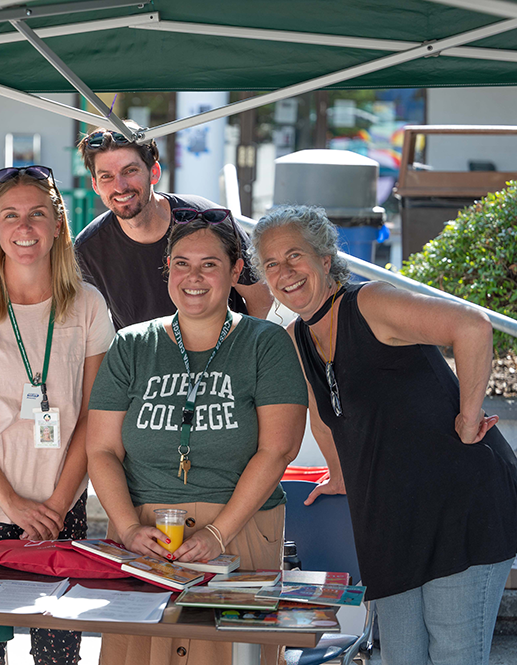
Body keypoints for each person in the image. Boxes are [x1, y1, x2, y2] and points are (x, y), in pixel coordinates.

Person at [250, 205, 517, 665]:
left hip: (460, 505)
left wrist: (469, 417)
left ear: (325, 259)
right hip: (391, 518)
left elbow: (472, 326)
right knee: (401, 656)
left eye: (295, 256)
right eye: (271, 264)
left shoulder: (370, 302)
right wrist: (339, 472)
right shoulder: (298, 335)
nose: (284, 272)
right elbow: (322, 410)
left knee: (453, 653)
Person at [87, 211, 307, 665]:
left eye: (209, 264)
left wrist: (217, 533)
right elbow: (102, 449)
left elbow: (278, 448)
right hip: (143, 540)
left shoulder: (266, 343)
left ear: (235, 270)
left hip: (239, 533)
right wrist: (128, 528)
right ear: (167, 269)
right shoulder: (131, 345)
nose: (194, 276)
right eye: (181, 263)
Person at [0, 165, 115, 665]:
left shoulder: (88, 305)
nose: (24, 227)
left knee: (59, 649)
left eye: (37, 214)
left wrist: (57, 504)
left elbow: (95, 416)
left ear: (59, 223)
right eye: (10, 215)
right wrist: (12, 503)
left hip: (61, 503)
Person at [74, 124, 273, 330]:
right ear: (95, 185)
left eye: (130, 170)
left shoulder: (208, 219)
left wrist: (241, 351)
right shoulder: (88, 248)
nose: (120, 186)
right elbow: (86, 324)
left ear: (154, 172)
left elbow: (261, 296)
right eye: (106, 176)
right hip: (143, 361)